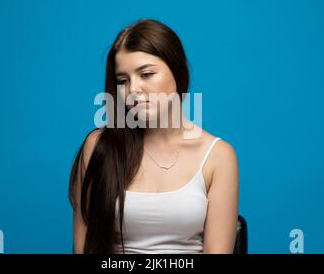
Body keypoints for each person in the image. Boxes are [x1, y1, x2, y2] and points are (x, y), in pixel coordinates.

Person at [69, 19, 239, 254]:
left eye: (146, 74)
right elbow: (83, 248)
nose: (133, 90)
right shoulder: (99, 146)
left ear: (177, 72)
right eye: (123, 81)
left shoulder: (219, 156)